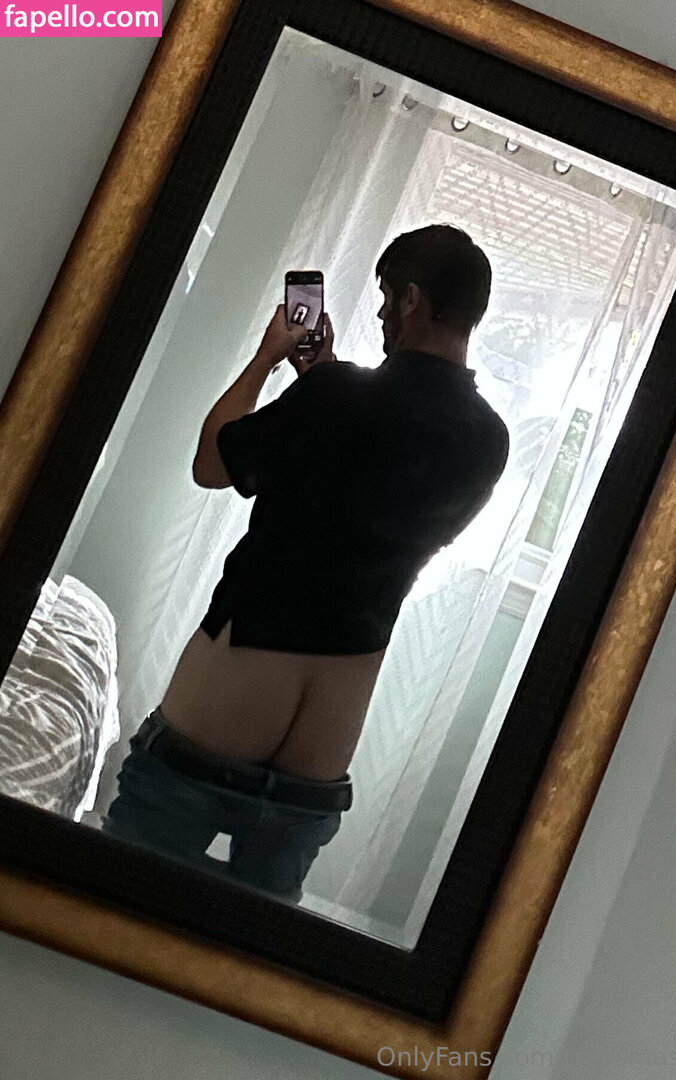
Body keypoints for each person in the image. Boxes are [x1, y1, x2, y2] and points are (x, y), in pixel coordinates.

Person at [102, 223, 510, 903]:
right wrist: (323, 379)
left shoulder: (336, 396)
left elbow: (211, 463)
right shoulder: (488, 442)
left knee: (108, 912)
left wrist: (269, 358)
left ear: (412, 298)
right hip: (317, 769)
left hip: (209, 737)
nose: (381, 313)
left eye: (386, 296)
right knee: (241, 963)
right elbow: (373, 489)